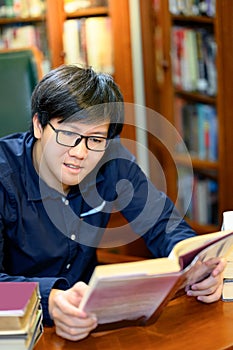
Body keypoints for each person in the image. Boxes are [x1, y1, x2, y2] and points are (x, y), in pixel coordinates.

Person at [0, 65, 225, 341]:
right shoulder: (3, 176)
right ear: (38, 125)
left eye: (95, 139)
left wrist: (196, 266)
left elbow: (162, 223)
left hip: (91, 323)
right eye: (68, 134)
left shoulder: (111, 161)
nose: (79, 153)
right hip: (17, 330)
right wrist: (49, 299)